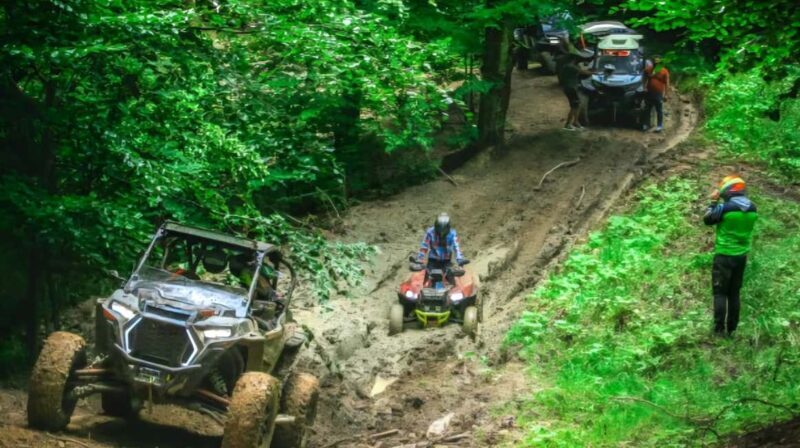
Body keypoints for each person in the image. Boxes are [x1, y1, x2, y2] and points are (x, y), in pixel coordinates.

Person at [703, 175, 758, 336]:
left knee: (720, 293)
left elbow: (708, 220)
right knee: (734, 293)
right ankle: (732, 330)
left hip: (724, 255)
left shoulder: (725, 208)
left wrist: (713, 202)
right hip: (741, 256)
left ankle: (718, 330)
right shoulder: (753, 208)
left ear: (727, 191)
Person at [559, 51, 594, 131]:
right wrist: (594, 72)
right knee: (574, 106)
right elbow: (585, 73)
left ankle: (575, 122)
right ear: (573, 59)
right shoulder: (571, 67)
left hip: (568, 87)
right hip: (571, 88)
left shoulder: (566, 66)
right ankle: (568, 124)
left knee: (576, 105)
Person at [642, 54, 669, 132]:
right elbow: (644, 78)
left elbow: (667, 83)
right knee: (647, 109)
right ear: (652, 62)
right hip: (649, 92)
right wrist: (644, 87)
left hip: (659, 93)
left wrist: (666, 94)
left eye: (657, 62)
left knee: (659, 109)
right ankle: (646, 124)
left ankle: (659, 126)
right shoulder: (648, 70)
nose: (656, 63)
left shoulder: (664, 71)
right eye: (654, 62)